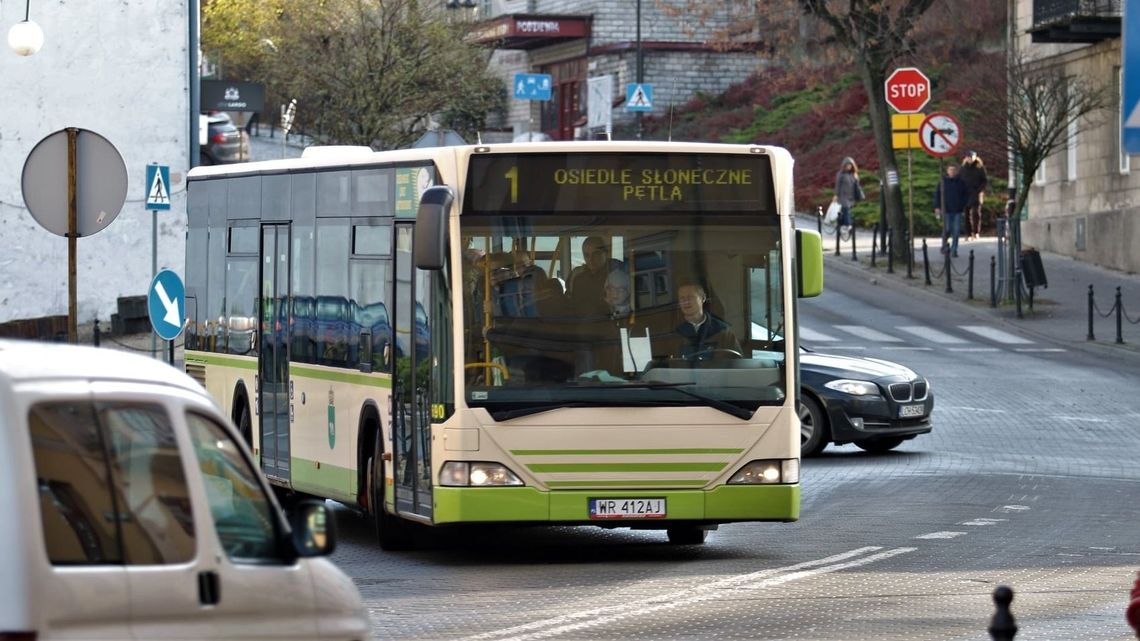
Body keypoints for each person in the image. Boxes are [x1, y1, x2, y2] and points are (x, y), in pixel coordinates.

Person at [673, 282, 741, 358]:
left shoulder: (723, 333)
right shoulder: (673, 333)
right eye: (682, 298)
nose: (686, 302)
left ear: (703, 298)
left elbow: (736, 364)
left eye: (690, 297)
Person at [568, 236, 623, 317]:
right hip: (582, 327)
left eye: (596, 254)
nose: (591, 259)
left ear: (606, 253)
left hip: (607, 326)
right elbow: (573, 308)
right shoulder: (578, 280)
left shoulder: (618, 278)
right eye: (586, 255)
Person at [933, 163, 970, 257]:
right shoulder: (943, 182)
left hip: (957, 210)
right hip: (946, 210)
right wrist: (937, 207)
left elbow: (966, 195)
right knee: (947, 229)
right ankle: (944, 246)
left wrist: (963, 204)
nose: (952, 172)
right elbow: (937, 195)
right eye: (950, 170)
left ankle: (954, 250)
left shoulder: (961, 182)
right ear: (947, 171)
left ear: (956, 171)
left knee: (956, 231)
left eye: (954, 170)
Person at [959, 150, 989, 241]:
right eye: (968, 157)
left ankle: (976, 232)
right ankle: (968, 233)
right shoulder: (963, 168)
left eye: (971, 157)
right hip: (966, 193)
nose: (970, 159)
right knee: (966, 214)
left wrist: (979, 190)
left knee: (976, 213)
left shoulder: (979, 167)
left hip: (976, 193)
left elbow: (984, 180)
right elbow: (960, 179)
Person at [833, 157, 864, 232]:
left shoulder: (854, 175)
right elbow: (838, 185)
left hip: (851, 196)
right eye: (847, 165)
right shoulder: (841, 174)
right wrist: (836, 195)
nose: (849, 167)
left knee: (845, 211)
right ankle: (848, 225)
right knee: (846, 209)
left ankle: (840, 225)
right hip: (843, 196)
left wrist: (860, 195)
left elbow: (857, 186)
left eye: (850, 165)